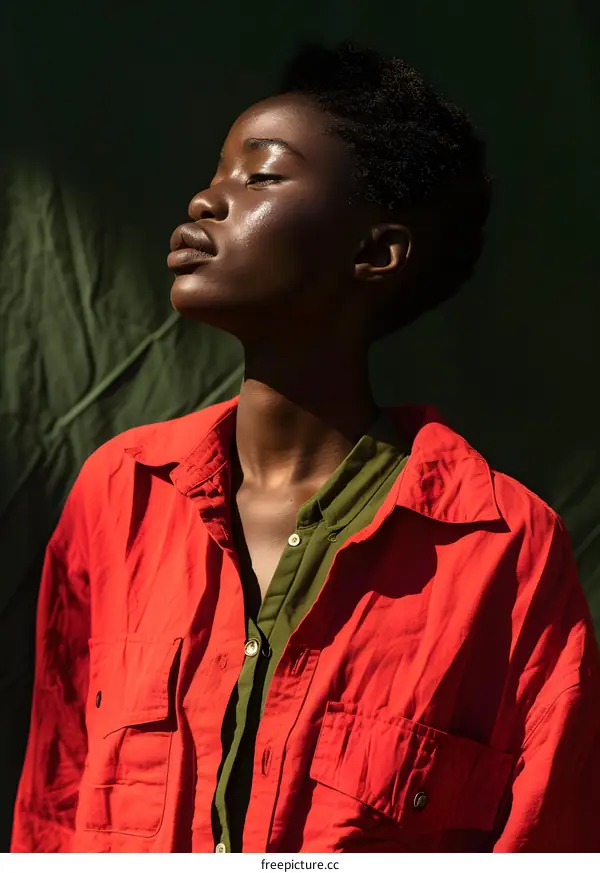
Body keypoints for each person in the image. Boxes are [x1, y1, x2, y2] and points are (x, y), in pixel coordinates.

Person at [11, 41, 600, 854]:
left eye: (260, 177)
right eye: (217, 173)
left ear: (374, 254)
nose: (207, 200)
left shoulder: (506, 550)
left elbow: (547, 837)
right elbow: (54, 802)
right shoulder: (120, 493)